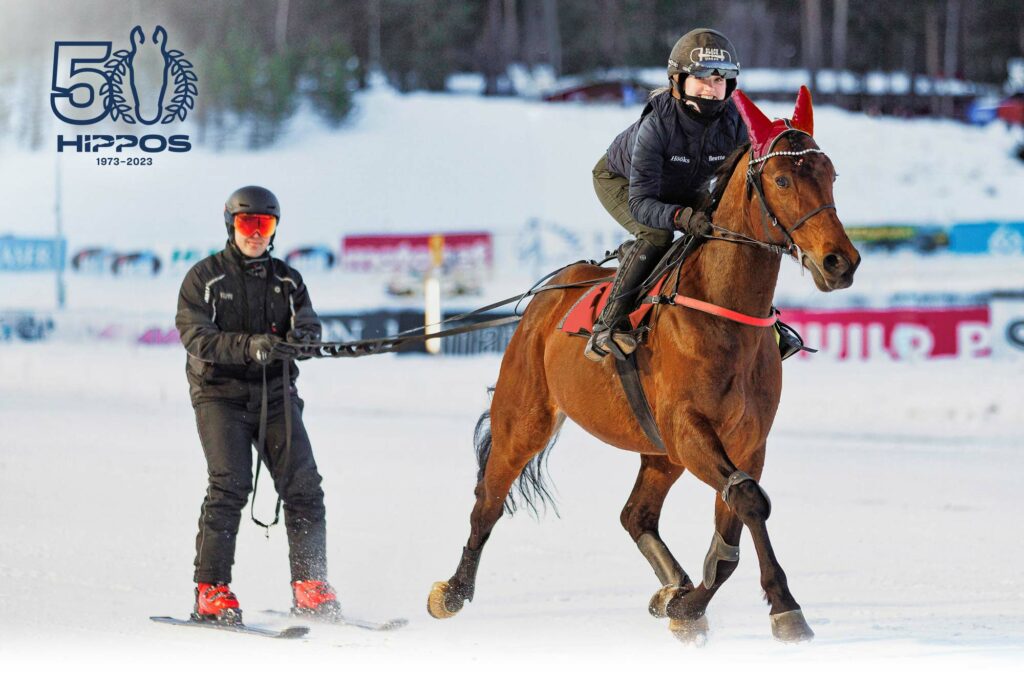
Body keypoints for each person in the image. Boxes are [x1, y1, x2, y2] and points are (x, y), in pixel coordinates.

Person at [175, 185, 338, 623]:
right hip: (219, 395)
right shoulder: (203, 278)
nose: (255, 233)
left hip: (276, 394)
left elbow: (308, 327)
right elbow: (196, 336)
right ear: (231, 225)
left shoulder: (288, 281)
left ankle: (310, 585)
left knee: (305, 487)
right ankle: (211, 589)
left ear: (274, 229)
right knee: (229, 484)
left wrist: (303, 341)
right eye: (247, 223)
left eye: (263, 224)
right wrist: (250, 346)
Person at [585, 28, 748, 361]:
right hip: (623, 182)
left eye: (720, 81)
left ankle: (766, 327)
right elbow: (642, 203)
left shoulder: (734, 124)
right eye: (702, 78)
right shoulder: (657, 125)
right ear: (679, 80)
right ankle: (607, 326)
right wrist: (680, 216)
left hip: (684, 187)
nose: (711, 88)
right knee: (658, 234)